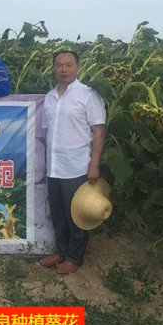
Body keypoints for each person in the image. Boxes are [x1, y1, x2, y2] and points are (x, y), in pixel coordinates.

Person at [40, 50, 106, 274]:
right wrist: (47, 162)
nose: (64, 69)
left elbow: (99, 132)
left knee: (76, 214)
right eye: (59, 65)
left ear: (78, 67)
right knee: (58, 212)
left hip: (77, 166)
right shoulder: (49, 97)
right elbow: (48, 133)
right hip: (55, 166)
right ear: (53, 68)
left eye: (69, 65)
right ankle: (61, 251)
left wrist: (94, 164)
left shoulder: (88, 95)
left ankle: (75, 257)